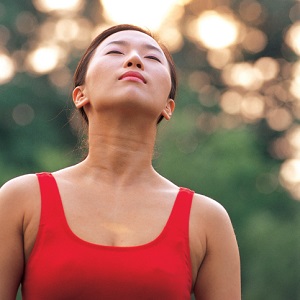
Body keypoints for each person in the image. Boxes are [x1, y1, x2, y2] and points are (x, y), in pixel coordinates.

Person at [0, 24, 241, 299]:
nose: (134, 60)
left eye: (151, 58)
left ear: (168, 106)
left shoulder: (208, 221)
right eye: (115, 52)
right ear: (81, 95)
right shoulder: (21, 200)